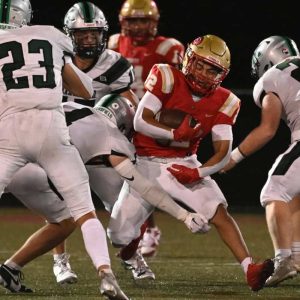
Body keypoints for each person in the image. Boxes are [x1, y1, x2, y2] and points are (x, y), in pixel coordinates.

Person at [107, 34, 274, 292]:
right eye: (200, 64)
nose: (204, 73)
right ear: (188, 60)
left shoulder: (226, 101)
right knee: (118, 236)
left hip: (183, 163)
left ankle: (249, 268)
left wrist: (197, 171)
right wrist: (174, 134)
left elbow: (222, 151)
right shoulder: (167, 77)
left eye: (213, 69)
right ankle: (130, 252)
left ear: (222, 74)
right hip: (146, 163)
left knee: (218, 211)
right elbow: (141, 121)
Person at [3, 96, 209, 291]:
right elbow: (143, 187)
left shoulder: (73, 106)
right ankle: (12, 267)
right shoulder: (112, 136)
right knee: (65, 221)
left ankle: (15, 269)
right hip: (32, 171)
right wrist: (184, 215)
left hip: (10, 152)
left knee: (61, 212)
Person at [0, 0, 129, 299]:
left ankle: (12, 267)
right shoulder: (50, 34)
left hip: (8, 136)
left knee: (65, 218)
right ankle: (105, 274)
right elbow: (85, 90)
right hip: (50, 130)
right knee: (84, 213)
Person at [51, 0, 139, 284]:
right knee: (59, 204)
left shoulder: (116, 65)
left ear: (104, 34)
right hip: (62, 140)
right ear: (69, 35)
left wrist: (117, 115)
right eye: (82, 34)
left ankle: (130, 255)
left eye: (94, 34)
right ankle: (60, 261)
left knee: (118, 199)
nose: (89, 39)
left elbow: (128, 101)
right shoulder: (55, 59)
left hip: (98, 143)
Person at [220, 35, 300, 287]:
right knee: (294, 195)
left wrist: (232, 158)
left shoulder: (272, 77)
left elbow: (268, 129)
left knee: (274, 189)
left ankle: (284, 260)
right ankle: (297, 257)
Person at [108, 0, 185, 258]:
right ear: (123, 22)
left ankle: (147, 230)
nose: (139, 26)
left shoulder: (168, 47)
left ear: (154, 23)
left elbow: (178, 89)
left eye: (144, 21)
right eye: (133, 21)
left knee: (143, 178)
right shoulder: (113, 43)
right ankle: (144, 228)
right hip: (119, 118)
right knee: (123, 179)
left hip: (151, 121)